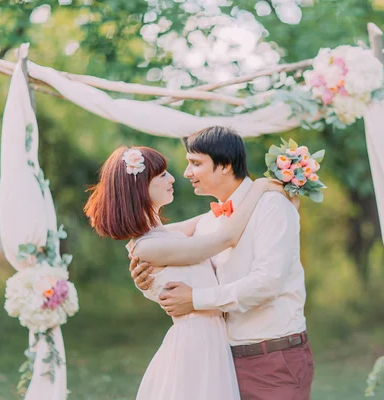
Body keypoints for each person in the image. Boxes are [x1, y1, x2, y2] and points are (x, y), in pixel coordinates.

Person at [84, 145, 286, 400]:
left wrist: (239, 197)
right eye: (162, 175)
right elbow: (227, 237)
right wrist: (258, 188)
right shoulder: (150, 246)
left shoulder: (160, 235)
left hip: (209, 338)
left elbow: (210, 218)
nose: (172, 179)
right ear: (141, 187)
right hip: (196, 343)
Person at [131, 126, 315, 400]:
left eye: (195, 163)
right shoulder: (208, 223)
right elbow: (152, 241)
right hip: (223, 362)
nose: (186, 173)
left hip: (273, 357)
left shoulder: (272, 206)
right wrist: (144, 273)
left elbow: (266, 283)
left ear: (226, 165)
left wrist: (195, 299)